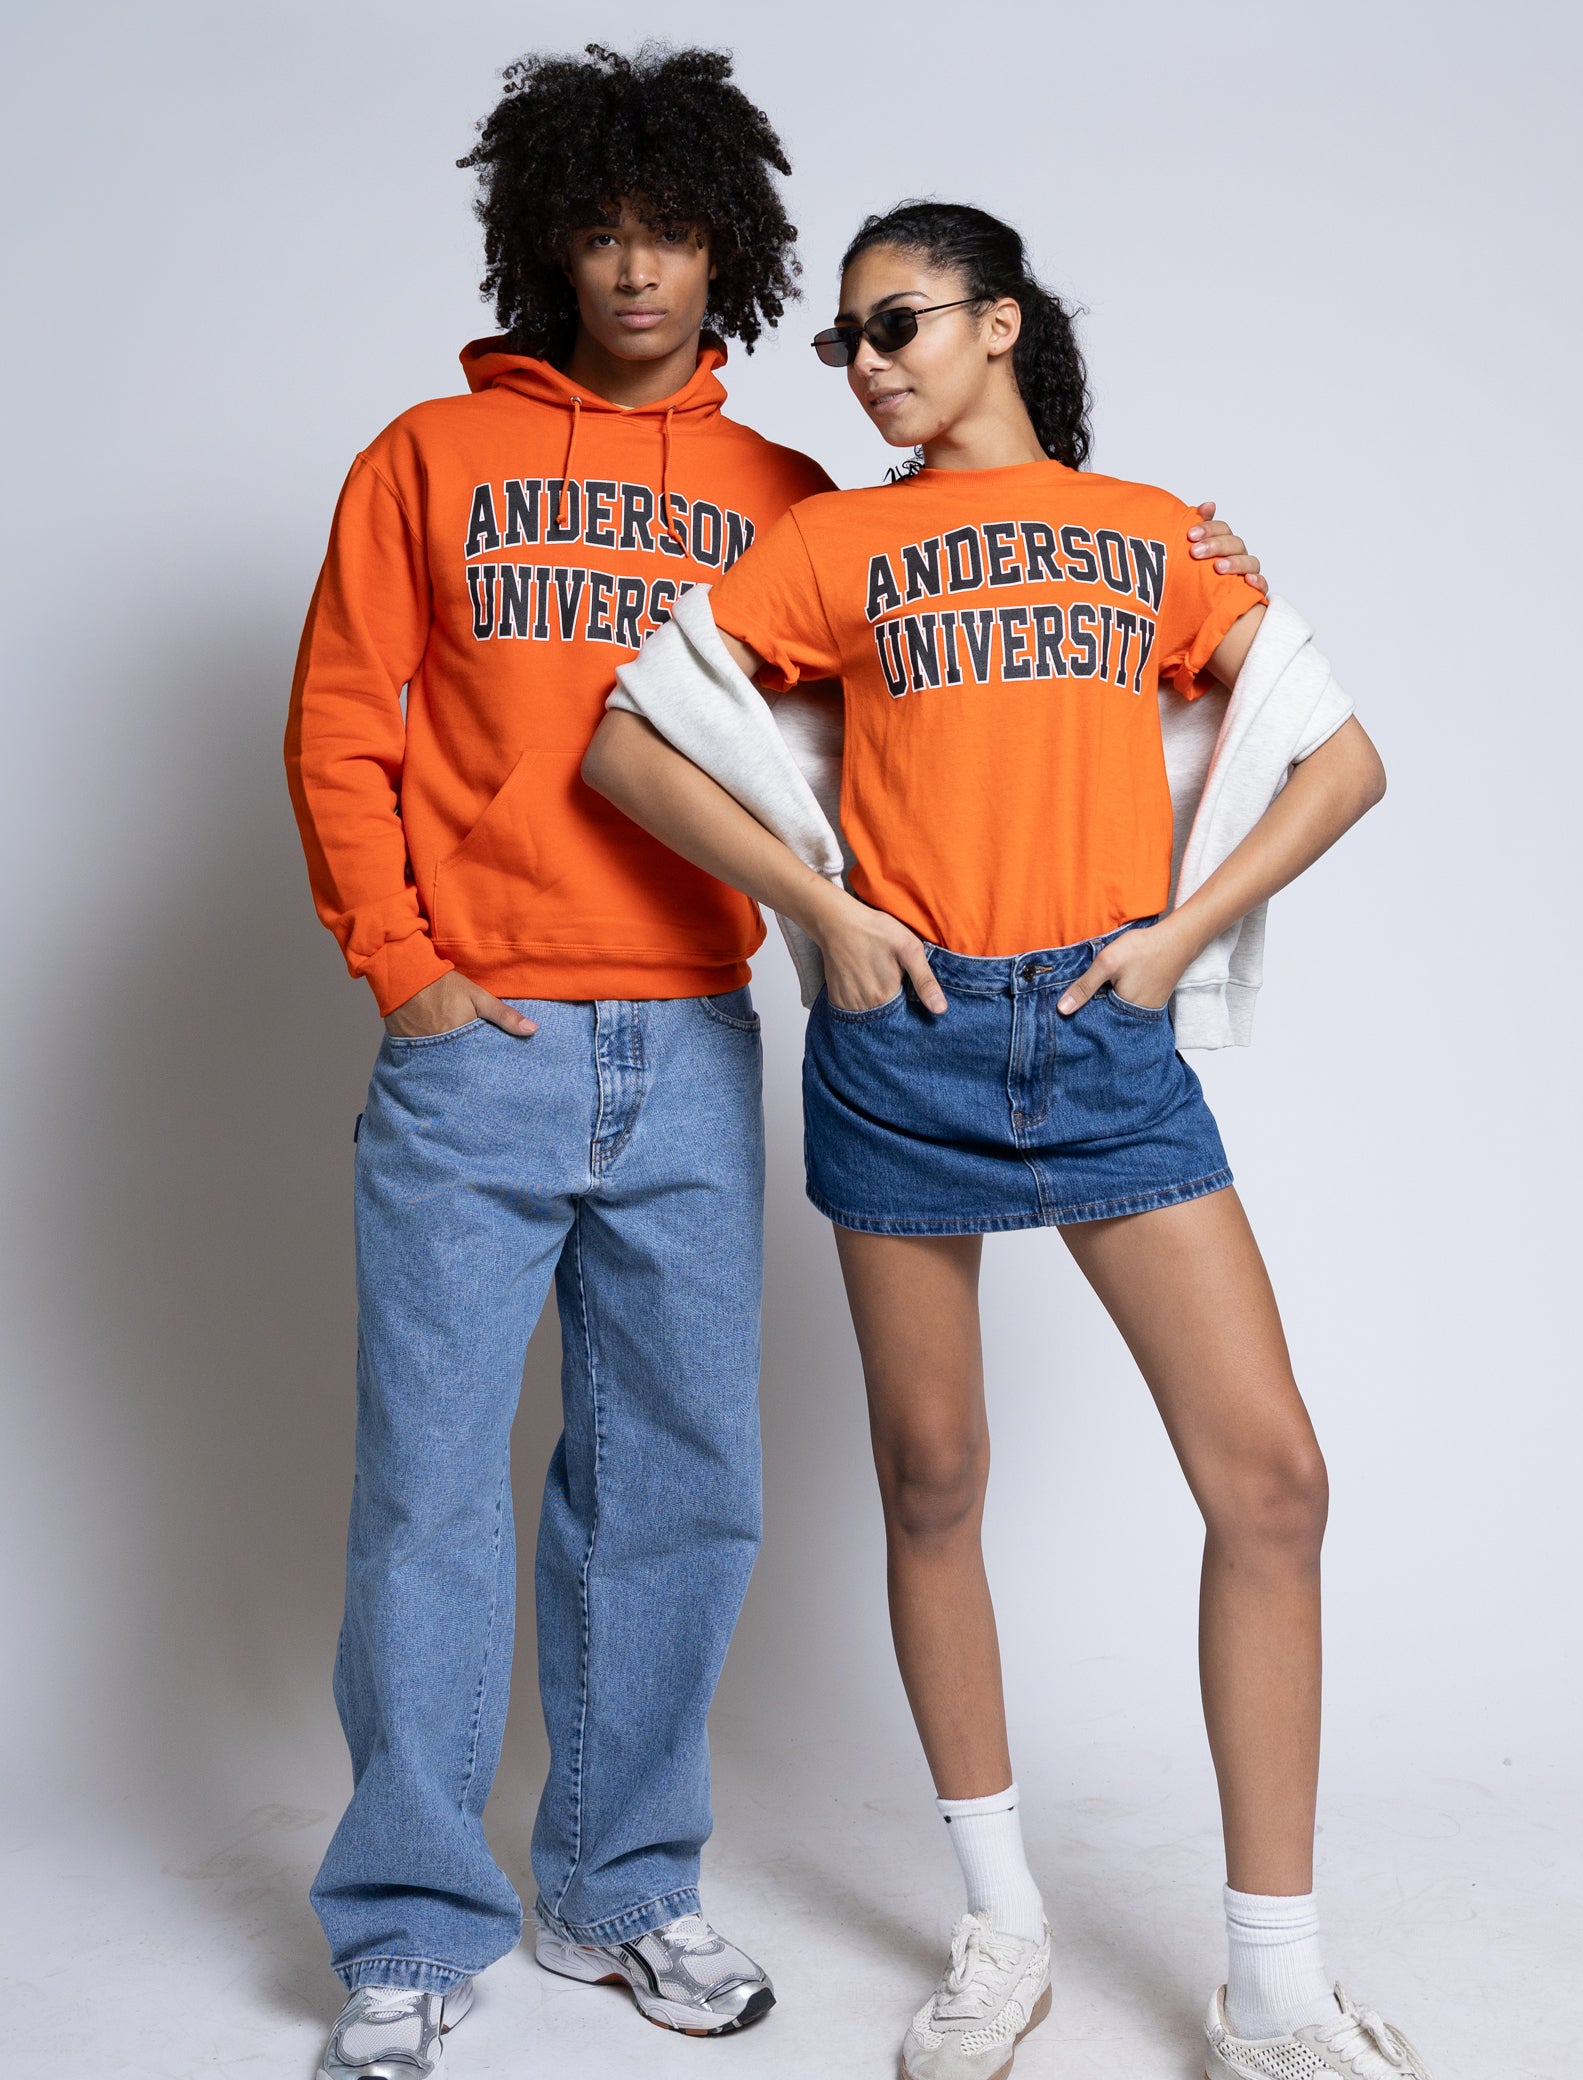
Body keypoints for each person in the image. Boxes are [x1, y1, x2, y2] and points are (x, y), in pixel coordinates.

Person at [582, 201, 1434, 2080]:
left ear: (1000, 323)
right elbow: (634, 745)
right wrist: (825, 916)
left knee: (1271, 1483)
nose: (870, 359)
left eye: (899, 322)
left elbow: (1339, 754)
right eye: (842, 339)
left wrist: (1181, 938)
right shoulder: (835, 543)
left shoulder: (1148, 534)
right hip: (911, 1037)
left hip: (1104, 1031)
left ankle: (1275, 1980)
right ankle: (1002, 1927)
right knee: (933, 1477)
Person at [285, 44, 854, 2080]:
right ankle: (414, 1920)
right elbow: (342, 729)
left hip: (697, 1033)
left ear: (727, 246)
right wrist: (410, 974)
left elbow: (885, 732)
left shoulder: (781, 495)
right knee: (427, 1489)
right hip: (482, 1038)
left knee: (680, 1484)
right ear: (546, 243)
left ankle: (618, 1886)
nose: (635, 271)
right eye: (599, 231)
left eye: (671, 229)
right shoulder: (427, 458)